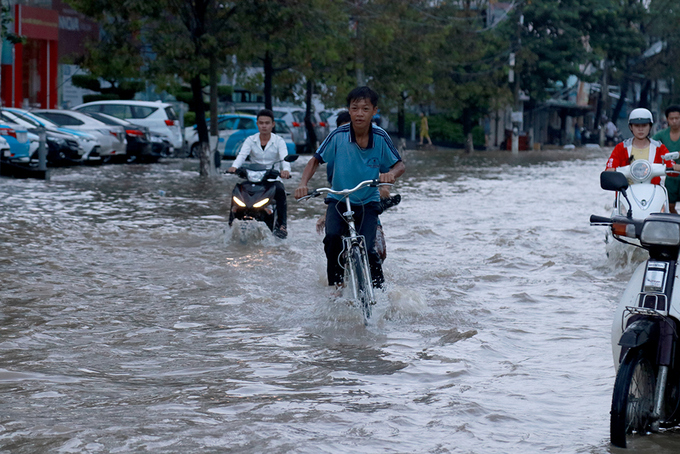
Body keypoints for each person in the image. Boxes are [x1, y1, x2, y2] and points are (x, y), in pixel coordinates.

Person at [295, 86, 406, 289]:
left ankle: (379, 292)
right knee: (332, 239)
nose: (359, 114)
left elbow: (400, 164)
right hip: (339, 200)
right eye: (355, 108)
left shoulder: (381, 137)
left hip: (368, 201)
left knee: (370, 249)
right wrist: (303, 184)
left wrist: (391, 174)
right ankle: (336, 287)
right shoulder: (338, 135)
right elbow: (315, 160)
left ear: (374, 111)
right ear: (349, 110)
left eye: (365, 109)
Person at [228, 108, 291, 239]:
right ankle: (231, 222)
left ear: (273, 124)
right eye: (261, 123)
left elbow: (285, 158)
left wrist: (285, 171)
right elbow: (242, 155)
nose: (264, 126)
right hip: (253, 177)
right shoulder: (250, 140)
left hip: (272, 178)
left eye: (267, 123)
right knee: (237, 190)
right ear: (257, 124)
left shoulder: (279, 141)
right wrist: (234, 167)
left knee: (280, 190)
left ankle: (282, 225)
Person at [605, 108, 676, 186]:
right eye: (636, 125)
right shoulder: (621, 148)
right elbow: (610, 166)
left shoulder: (659, 147)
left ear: (650, 126)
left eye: (644, 125)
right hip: (627, 193)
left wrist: (675, 167)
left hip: (653, 193)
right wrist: (610, 170)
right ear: (631, 127)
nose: (640, 129)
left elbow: (671, 165)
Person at [653, 105, 680, 213]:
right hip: (670, 176)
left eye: (677, 118)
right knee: (670, 207)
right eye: (671, 118)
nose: (674, 121)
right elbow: (650, 147)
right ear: (667, 119)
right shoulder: (661, 135)